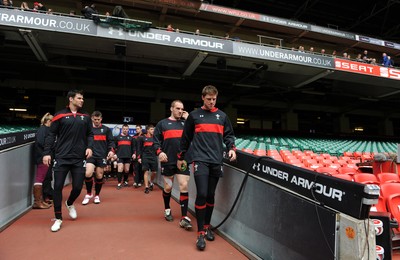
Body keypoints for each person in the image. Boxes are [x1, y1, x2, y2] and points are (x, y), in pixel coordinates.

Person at [177, 85, 236, 251]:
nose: (211, 102)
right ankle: (200, 233)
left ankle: (208, 225)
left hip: (216, 161)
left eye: (214, 99)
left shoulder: (222, 116)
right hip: (200, 160)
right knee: (202, 194)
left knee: (210, 195)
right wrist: (181, 156)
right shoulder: (195, 116)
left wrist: (231, 148)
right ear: (202, 97)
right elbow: (186, 138)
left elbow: (229, 135)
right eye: (209, 99)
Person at [43, 89, 93, 232]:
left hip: (78, 158)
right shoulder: (59, 115)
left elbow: (90, 134)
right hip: (61, 157)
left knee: (77, 187)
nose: (82, 100)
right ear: (71, 99)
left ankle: (70, 203)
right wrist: (47, 153)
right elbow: (51, 135)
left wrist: (89, 147)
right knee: (58, 187)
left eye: (82, 98)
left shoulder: (85, 116)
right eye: (79, 98)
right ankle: (58, 218)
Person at [153, 100, 192, 229]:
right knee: (168, 187)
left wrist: (189, 120)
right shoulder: (162, 124)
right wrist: (159, 152)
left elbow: (197, 134)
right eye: (177, 108)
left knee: (184, 185)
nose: (180, 111)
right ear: (171, 109)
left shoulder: (186, 123)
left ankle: (184, 217)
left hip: (183, 161)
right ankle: (167, 208)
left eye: (182, 109)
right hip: (168, 161)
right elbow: (156, 141)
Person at [82, 111, 115, 205]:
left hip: (101, 156)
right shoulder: (88, 129)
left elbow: (111, 142)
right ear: (92, 118)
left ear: (101, 119)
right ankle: (89, 193)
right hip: (90, 155)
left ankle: (97, 195)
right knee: (88, 173)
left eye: (98, 119)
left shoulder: (106, 129)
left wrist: (111, 151)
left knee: (99, 176)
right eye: (95, 119)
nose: (96, 121)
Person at [32, 112, 53, 209]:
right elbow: (41, 142)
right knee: (39, 179)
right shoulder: (43, 130)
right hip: (42, 157)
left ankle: (40, 201)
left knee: (42, 178)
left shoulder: (43, 130)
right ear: (48, 121)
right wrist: (46, 153)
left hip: (43, 156)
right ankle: (37, 202)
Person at [137, 124, 157, 194]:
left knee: (154, 172)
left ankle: (151, 182)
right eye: (151, 129)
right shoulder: (141, 138)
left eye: (153, 129)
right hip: (145, 156)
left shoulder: (155, 138)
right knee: (146, 171)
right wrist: (139, 157)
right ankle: (146, 187)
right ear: (147, 130)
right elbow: (139, 148)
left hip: (153, 156)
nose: (153, 131)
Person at [115, 124, 135, 189]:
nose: (125, 130)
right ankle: (119, 183)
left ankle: (125, 181)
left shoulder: (131, 138)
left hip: (128, 156)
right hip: (120, 156)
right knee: (120, 168)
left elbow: (133, 148)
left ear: (128, 130)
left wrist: (134, 154)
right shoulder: (117, 137)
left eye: (126, 129)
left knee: (127, 170)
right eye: (124, 129)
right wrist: (114, 154)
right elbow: (114, 147)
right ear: (122, 129)